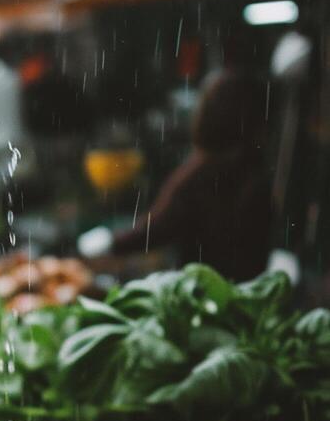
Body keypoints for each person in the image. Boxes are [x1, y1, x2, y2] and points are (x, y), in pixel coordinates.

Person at [87, 72, 271, 281]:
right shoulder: (255, 171)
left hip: (204, 294)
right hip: (246, 294)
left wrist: (111, 243)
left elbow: (158, 227)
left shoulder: (204, 172)